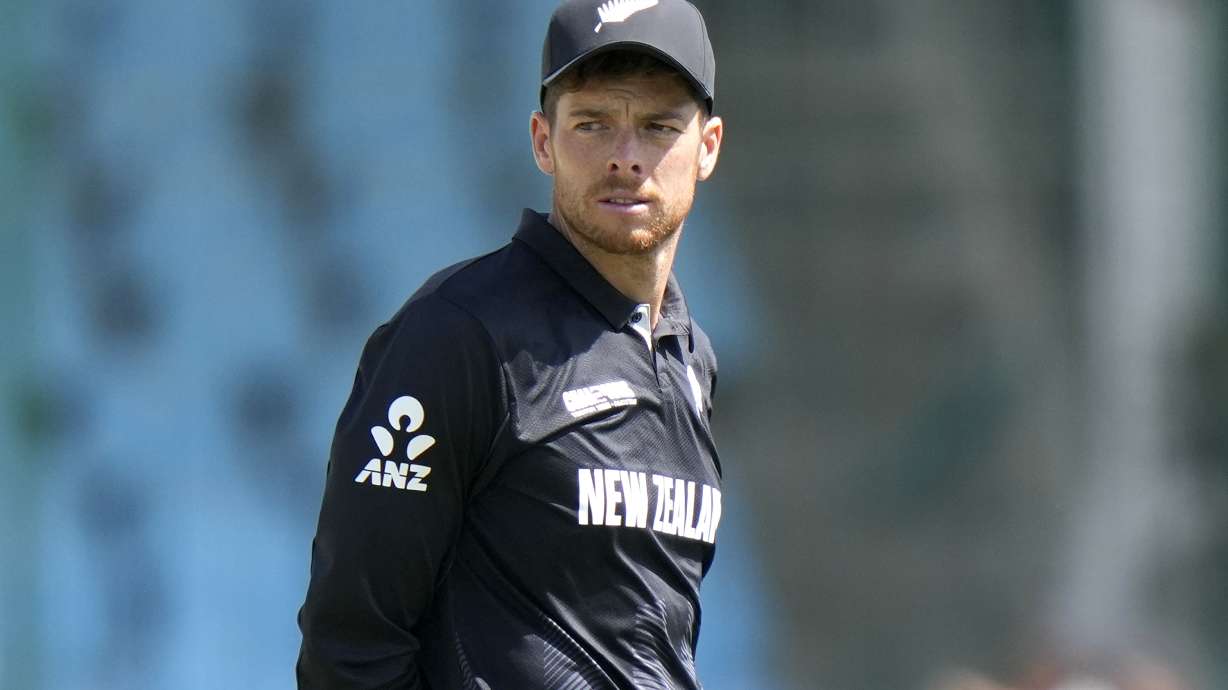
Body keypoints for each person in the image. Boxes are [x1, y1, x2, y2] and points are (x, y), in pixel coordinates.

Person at [296, 0, 725, 687]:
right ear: (542, 140)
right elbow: (350, 646)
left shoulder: (688, 356)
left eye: (658, 126)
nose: (625, 157)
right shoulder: (459, 334)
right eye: (592, 124)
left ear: (706, 147)